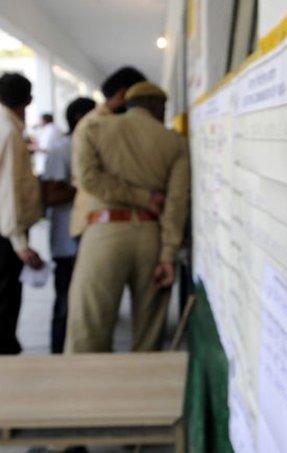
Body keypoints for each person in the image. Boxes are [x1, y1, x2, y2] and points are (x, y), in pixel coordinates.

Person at [65, 81, 189, 353]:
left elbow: (88, 179)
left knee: (88, 329)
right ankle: (143, 391)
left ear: (127, 105)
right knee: (149, 336)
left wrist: (136, 195)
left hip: (103, 233)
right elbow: (176, 205)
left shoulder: (94, 128)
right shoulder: (176, 144)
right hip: (150, 237)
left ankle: (85, 392)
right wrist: (168, 256)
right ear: (158, 107)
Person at [0, 72, 44, 354]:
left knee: (3, 295)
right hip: (5, 228)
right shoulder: (7, 132)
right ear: (29, 100)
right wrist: (19, 243)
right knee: (6, 297)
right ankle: (3, 352)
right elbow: (9, 190)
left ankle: (5, 346)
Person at [40, 97, 95, 354]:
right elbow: (50, 196)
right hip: (66, 241)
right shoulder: (61, 149)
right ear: (79, 119)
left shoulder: (94, 146)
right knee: (65, 303)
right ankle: (58, 353)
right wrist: (88, 188)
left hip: (90, 237)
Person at [69, 66, 146, 238]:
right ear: (123, 93)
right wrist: (145, 198)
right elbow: (90, 178)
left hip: (107, 221)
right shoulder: (95, 125)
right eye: (140, 100)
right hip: (95, 223)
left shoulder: (108, 122)